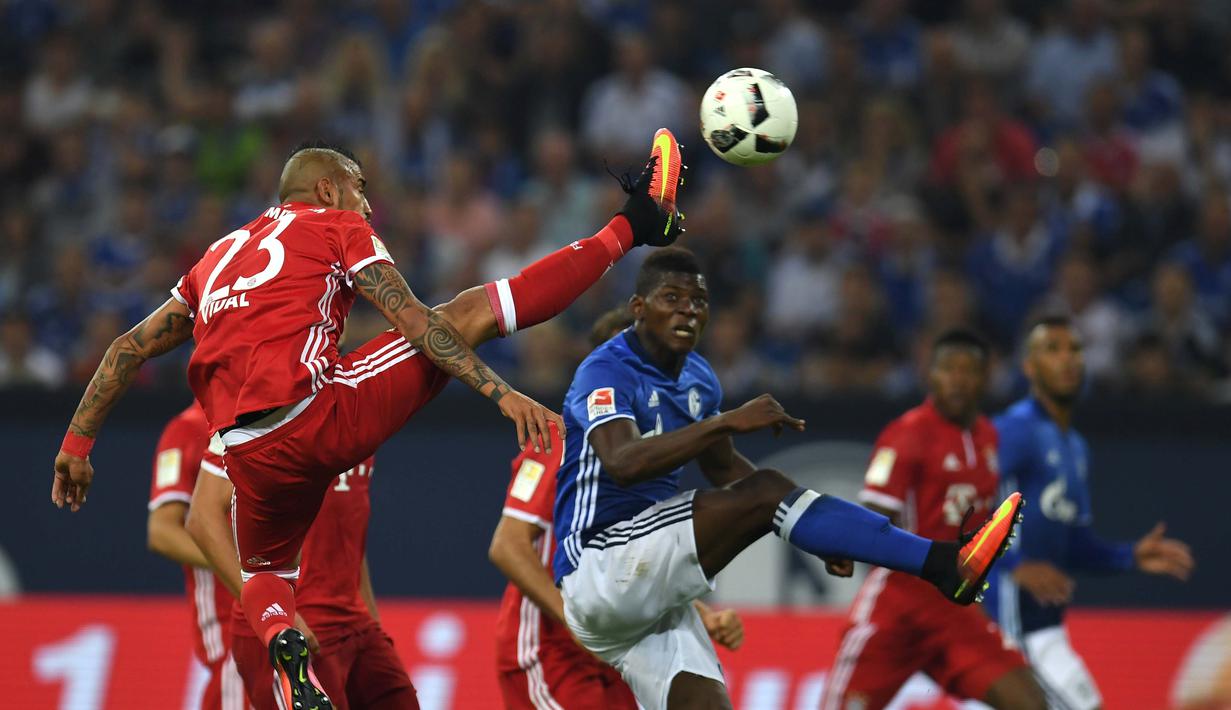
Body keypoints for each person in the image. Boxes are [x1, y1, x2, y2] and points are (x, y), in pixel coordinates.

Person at [52, 129, 687, 708]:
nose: (368, 206)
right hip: (317, 414)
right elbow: (415, 321)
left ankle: (279, 636)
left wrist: (77, 447)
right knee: (466, 313)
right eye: (360, 190)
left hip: (248, 451)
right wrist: (502, 394)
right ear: (329, 189)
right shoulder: (337, 227)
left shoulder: (214, 259)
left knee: (266, 574)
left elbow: (127, 349)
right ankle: (636, 223)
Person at [550, 247, 1024, 710]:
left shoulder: (698, 377)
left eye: (698, 301)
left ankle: (939, 563)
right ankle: (943, 563)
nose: (688, 310)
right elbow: (623, 462)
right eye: (671, 298)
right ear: (639, 307)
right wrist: (726, 422)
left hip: (641, 603)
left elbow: (724, 470)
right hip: (599, 564)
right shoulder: (606, 369)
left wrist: (812, 534)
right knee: (768, 489)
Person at [488, 308, 744, 710]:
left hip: (617, 648)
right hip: (551, 653)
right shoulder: (559, 442)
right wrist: (574, 622)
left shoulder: (646, 456)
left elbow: (631, 563)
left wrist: (701, 614)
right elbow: (508, 545)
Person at [821, 330, 1045, 710]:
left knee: (1032, 704)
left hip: (955, 612)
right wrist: (845, 544)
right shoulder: (907, 433)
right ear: (931, 375)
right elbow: (875, 510)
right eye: (948, 369)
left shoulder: (988, 438)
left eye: (968, 370)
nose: (957, 380)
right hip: (899, 606)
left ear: (985, 378)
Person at [985, 315, 1196, 710]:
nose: (1067, 359)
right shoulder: (1015, 429)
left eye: (1075, 349)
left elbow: (1073, 544)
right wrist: (1013, 563)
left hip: (1044, 626)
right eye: (1052, 349)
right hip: (1008, 628)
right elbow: (965, 503)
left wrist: (1129, 555)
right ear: (1029, 366)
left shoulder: (1075, 447)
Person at [186, 444, 417, 710]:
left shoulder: (359, 425)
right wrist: (276, 615)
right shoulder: (257, 421)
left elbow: (348, 529)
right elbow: (202, 518)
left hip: (355, 624)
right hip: (298, 629)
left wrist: (372, 621)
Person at [147, 401, 246, 710]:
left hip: (279, 609)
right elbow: (162, 531)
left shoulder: (265, 415)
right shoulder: (186, 430)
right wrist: (243, 569)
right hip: (229, 622)